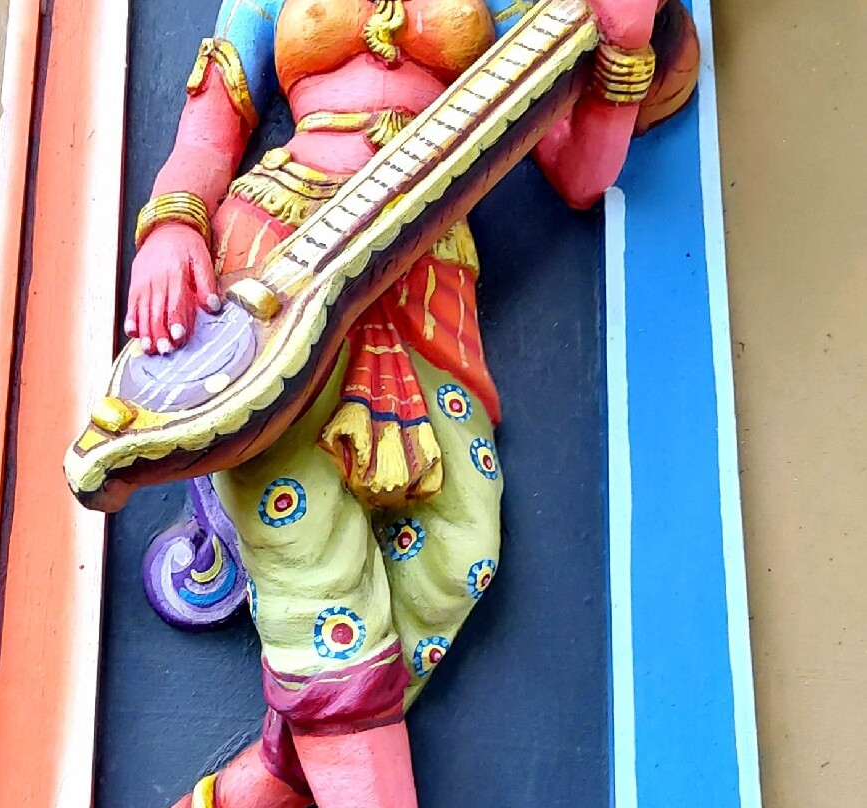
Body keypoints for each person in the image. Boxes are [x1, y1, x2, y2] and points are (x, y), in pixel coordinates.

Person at [124, 2, 696, 806]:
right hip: (279, 256)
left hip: (422, 271)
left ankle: (267, 780)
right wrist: (172, 227)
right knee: (306, 546)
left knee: (459, 547)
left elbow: (578, 175)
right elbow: (211, 121)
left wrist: (625, 40)